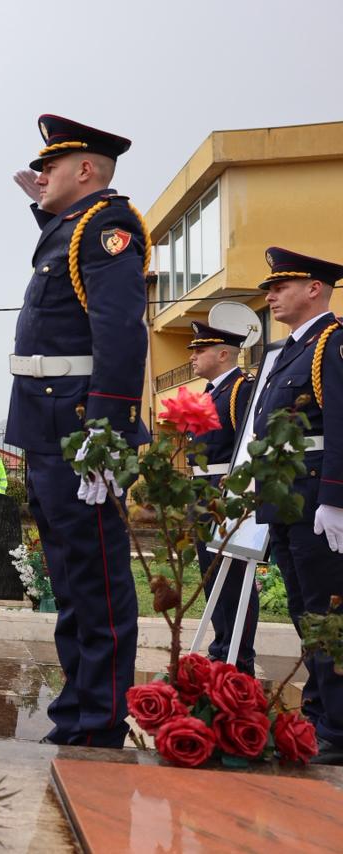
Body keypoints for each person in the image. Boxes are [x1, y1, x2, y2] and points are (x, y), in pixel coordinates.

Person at [7, 114, 148, 748]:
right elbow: (69, 271)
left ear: (85, 170)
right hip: (46, 420)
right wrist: (44, 209)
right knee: (68, 577)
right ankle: (78, 709)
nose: (41, 177)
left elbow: (119, 334)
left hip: (77, 427)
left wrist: (105, 433)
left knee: (94, 577)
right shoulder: (74, 228)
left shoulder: (110, 226)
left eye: (51, 168)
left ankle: (98, 721)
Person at [249, 247, 343, 763]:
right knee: (307, 614)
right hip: (287, 498)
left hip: (316, 499)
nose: (270, 295)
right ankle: (319, 713)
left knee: (329, 611)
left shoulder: (333, 342)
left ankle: (338, 727)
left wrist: (336, 498)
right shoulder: (288, 351)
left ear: (314, 288)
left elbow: (342, 423)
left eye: (281, 286)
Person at [185, 320, 258, 675]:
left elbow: (247, 442)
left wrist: (233, 491)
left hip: (223, 491)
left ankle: (238, 657)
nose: (193, 357)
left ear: (224, 353)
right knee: (212, 575)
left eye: (200, 350)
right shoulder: (213, 391)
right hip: (203, 490)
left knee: (233, 576)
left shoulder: (241, 388)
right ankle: (221, 646)